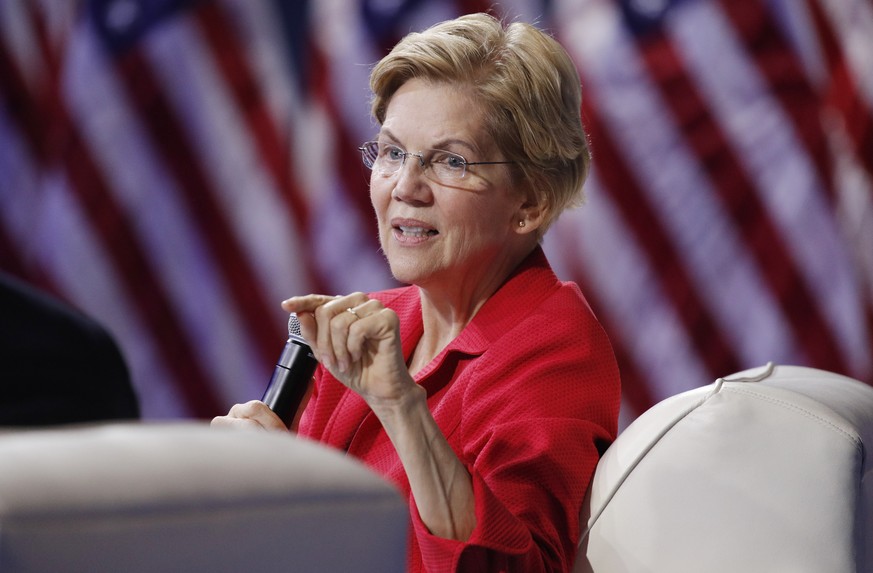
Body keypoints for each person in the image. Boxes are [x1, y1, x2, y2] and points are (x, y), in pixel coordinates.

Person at [212, 12, 620, 572]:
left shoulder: (555, 351)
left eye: (450, 161)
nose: (406, 187)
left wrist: (402, 405)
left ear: (531, 203)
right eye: (392, 152)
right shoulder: (371, 325)